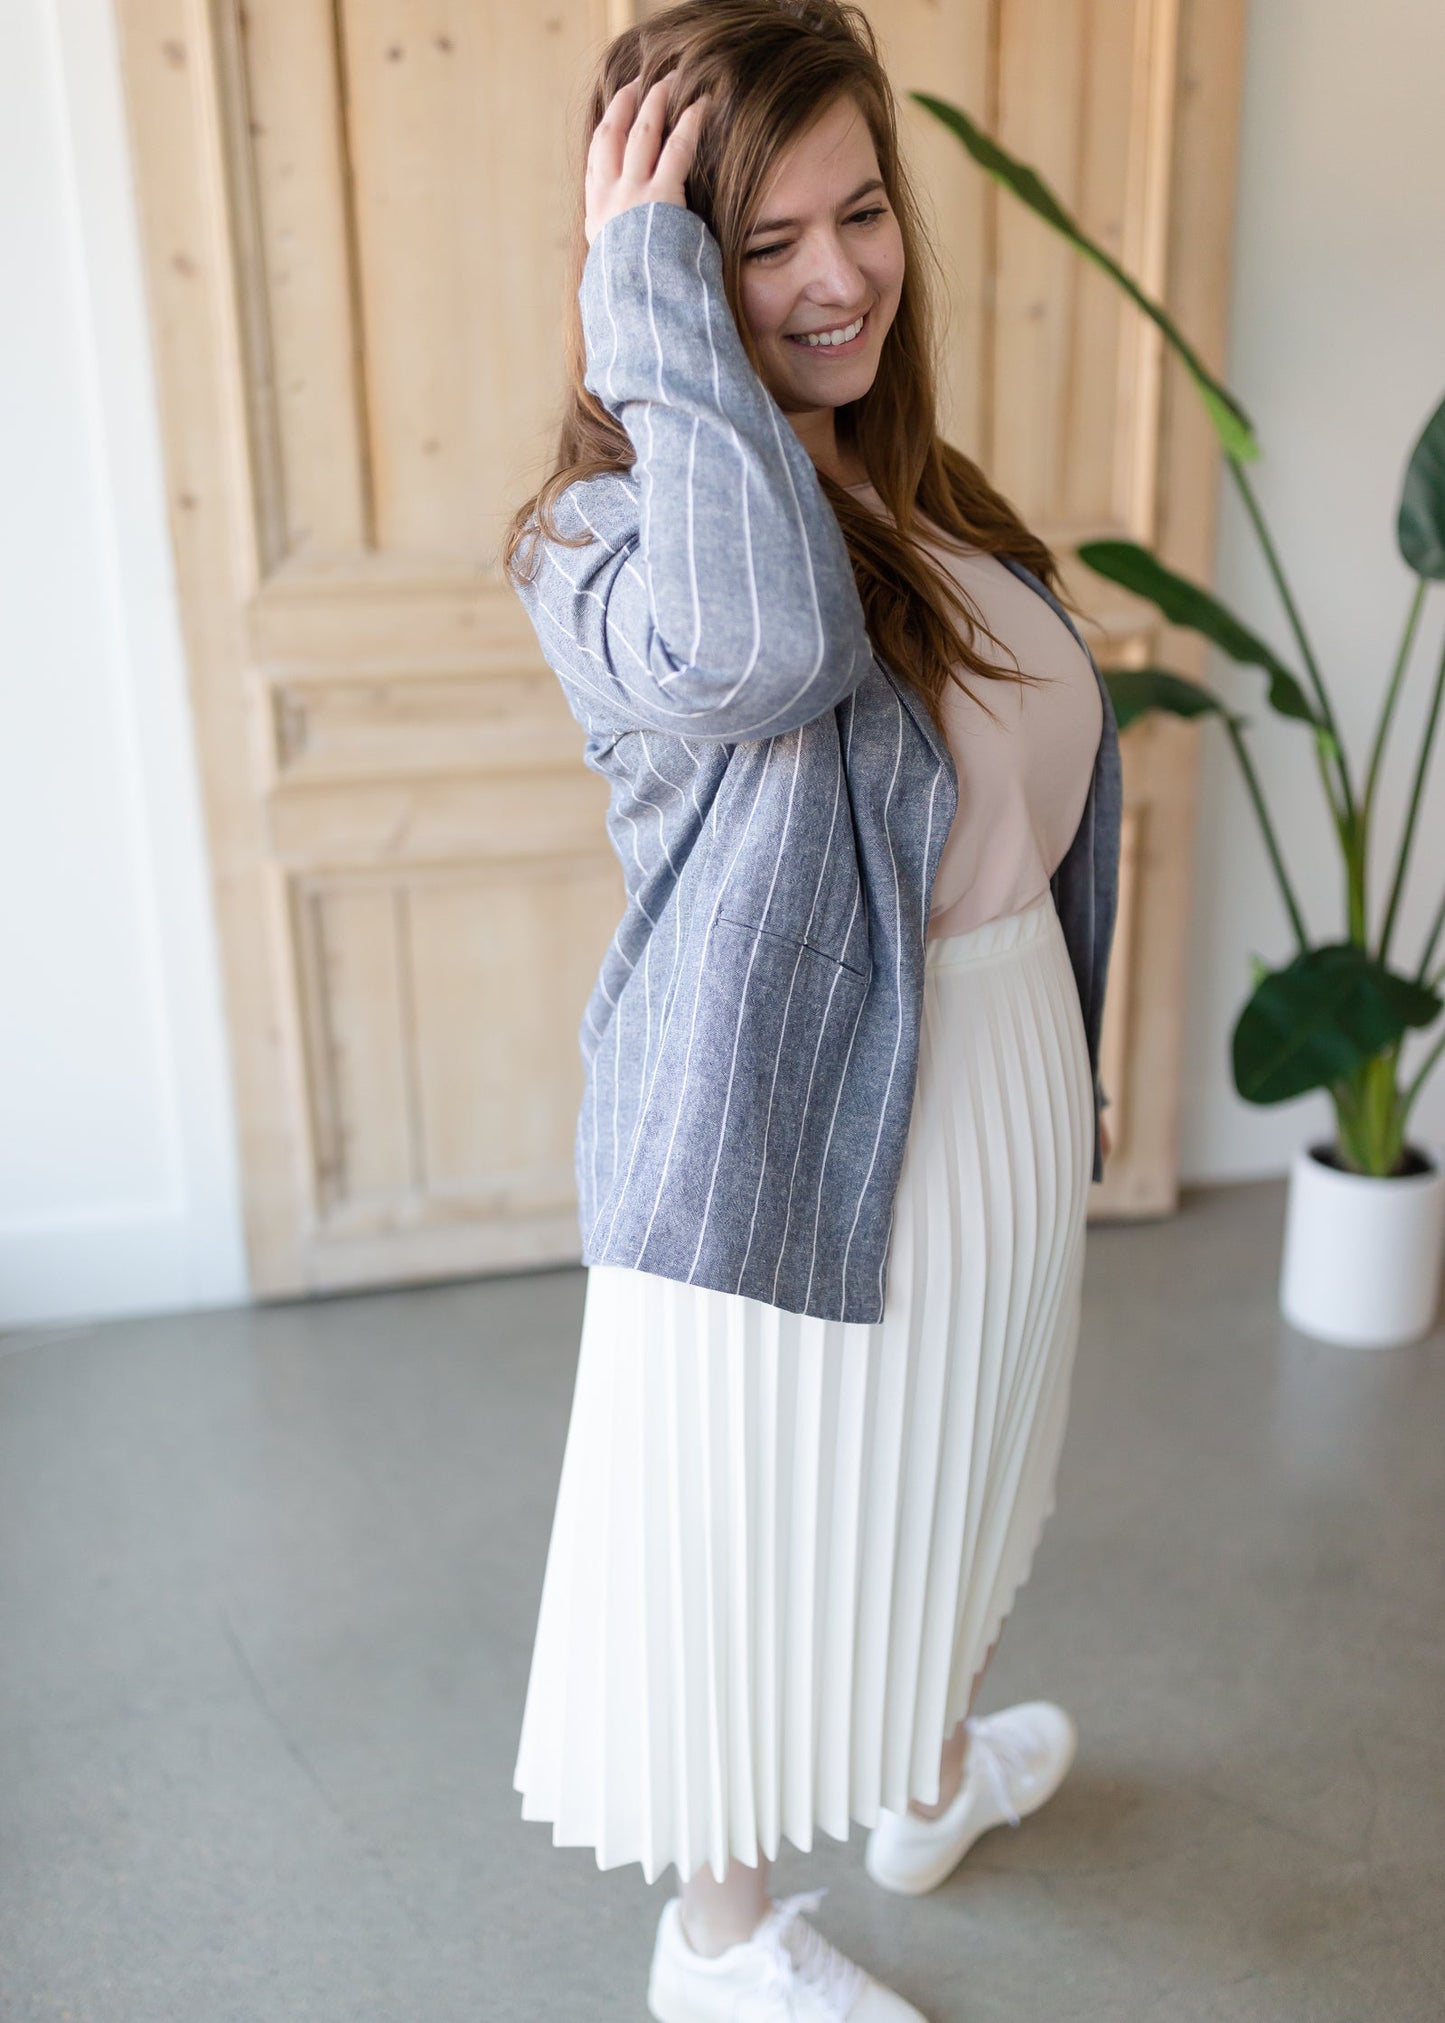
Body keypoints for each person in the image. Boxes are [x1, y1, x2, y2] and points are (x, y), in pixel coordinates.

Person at [503, 4, 1121, 2017]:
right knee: (749, 1538)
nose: (838, 273)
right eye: (760, 242)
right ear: (665, 263)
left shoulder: (924, 498)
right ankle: (721, 1941)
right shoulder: (610, 552)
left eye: (861, 214)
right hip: (791, 1149)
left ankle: (921, 1771)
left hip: (993, 1087)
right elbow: (768, 647)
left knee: (950, 1472)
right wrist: (647, 303)